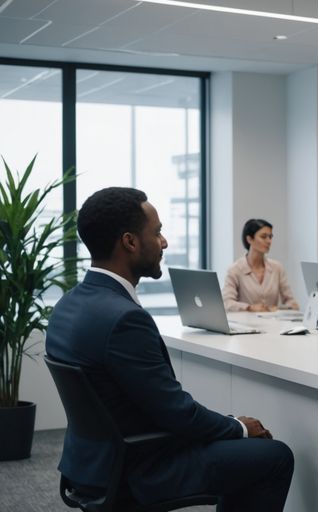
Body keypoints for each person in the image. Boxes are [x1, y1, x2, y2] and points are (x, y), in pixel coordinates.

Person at [45, 188, 295, 510]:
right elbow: (177, 414)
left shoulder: (68, 304)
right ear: (130, 242)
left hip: (92, 461)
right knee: (273, 456)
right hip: (137, 466)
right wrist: (239, 427)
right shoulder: (125, 319)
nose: (164, 242)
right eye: (158, 232)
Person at [222, 218, 299, 312]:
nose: (269, 241)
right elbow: (227, 303)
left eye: (270, 237)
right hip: (245, 324)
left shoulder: (277, 268)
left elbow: (292, 303)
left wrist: (279, 309)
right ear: (249, 239)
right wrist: (249, 307)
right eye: (263, 237)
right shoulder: (235, 269)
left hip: (274, 324)